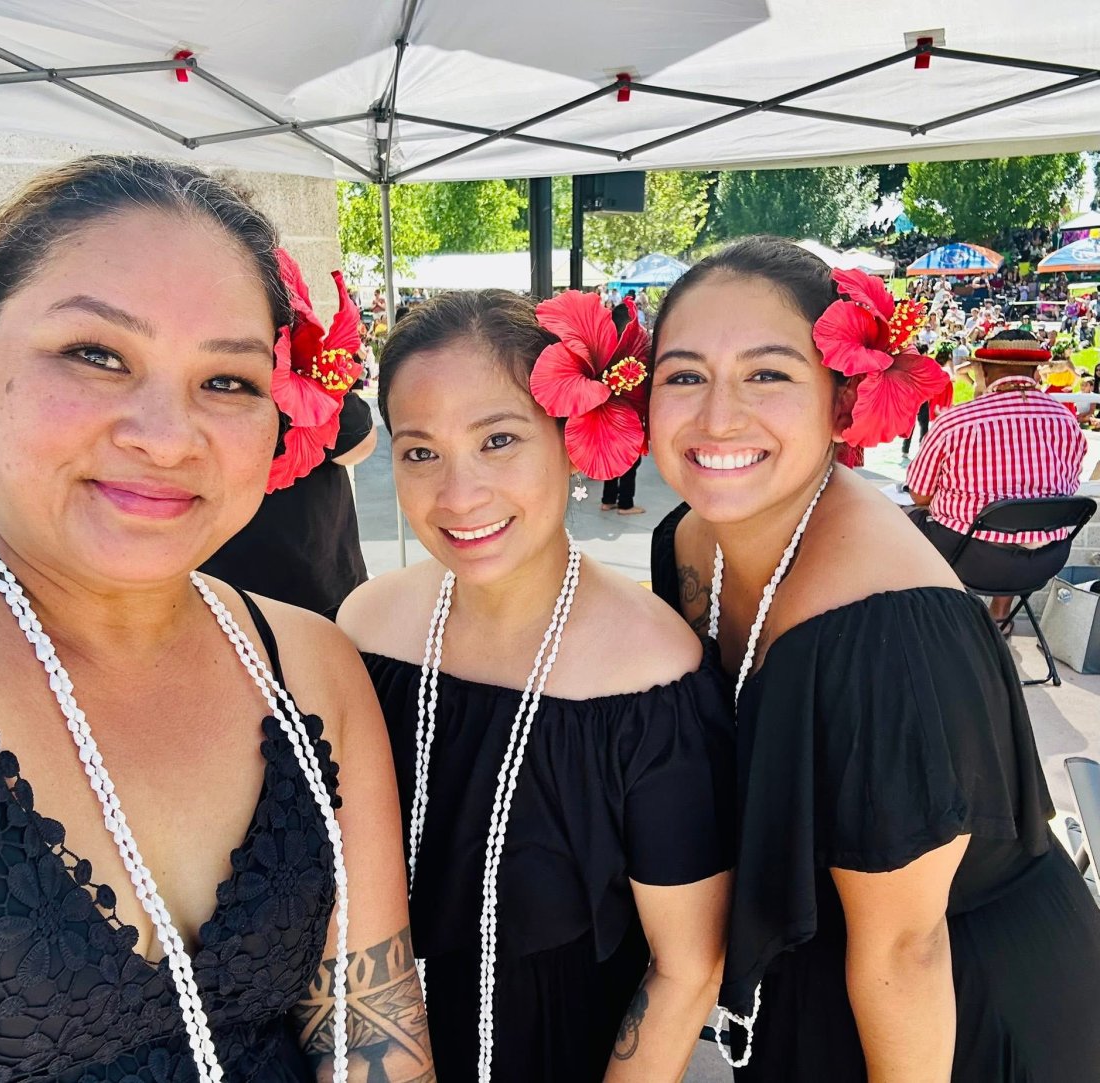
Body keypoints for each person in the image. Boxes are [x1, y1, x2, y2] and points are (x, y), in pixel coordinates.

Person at [0, 156, 431, 1081]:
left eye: (227, 380)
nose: (167, 434)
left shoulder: (309, 665)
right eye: (96, 354)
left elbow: (371, 1041)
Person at [648, 236, 1100, 1081]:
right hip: (818, 977)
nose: (717, 416)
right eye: (683, 376)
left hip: (956, 1012)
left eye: (768, 373)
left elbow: (906, 948)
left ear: (842, 398)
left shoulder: (887, 633)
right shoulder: (686, 540)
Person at [338, 289, 734, 1082]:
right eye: (420, 452)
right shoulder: (362, 629)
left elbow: (688, 965)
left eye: (498, 439)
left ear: (571, 437)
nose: (459, 494)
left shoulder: (653, 675)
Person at [200, 266, 375, 617]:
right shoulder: (296, 380)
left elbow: (361, 443)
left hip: (250, 596)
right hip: (303, 595)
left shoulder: (306, 377)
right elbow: (362, 445)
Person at [907, 328, 1088, 628]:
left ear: (985, 371)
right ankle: (1000, 615)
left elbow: (919, 494)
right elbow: (1066, 489)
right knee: (1019, 522)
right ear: (1035, 371)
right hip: (1044, 561)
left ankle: (947, 617)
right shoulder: (1066, 421)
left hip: (970, 559)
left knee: (909, 517)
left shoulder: (956, 421)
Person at [600, 300, 645, 515]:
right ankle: (626, 504)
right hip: (627, 416)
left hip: (607, 414)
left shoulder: (605, 350)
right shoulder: (632, 354)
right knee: (630, 461)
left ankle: (608, 500)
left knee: (613, 456)